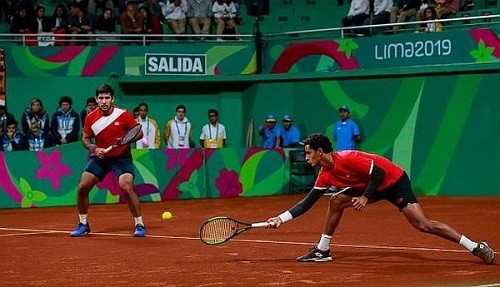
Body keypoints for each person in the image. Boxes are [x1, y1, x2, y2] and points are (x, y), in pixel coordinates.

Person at [266, 133, 495, 265]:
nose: (306, 157)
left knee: (423, 224)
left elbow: (379, 173)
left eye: (308, 153)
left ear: (319, 151)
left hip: (393, 180)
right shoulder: (325, 174)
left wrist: (365, 198)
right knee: (335, 201)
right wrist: (280, 219)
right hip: (370, 186)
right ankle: (323, 250)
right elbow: (307, 203)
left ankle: (474, 246)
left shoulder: (348, 157)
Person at [70, 83, 146, 237]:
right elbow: (85, 138)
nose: (104, 101)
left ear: (112, 98)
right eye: (100, 98)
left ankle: (139, 224)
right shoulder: (91, 117)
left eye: (107, 98)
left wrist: (125, 141)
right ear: (97, 100)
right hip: (101, 158)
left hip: (122, 158)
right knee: (82, 187)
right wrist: (93, 148)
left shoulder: (123, 114)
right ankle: (83, 223)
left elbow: (138, 133)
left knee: (126, 186)